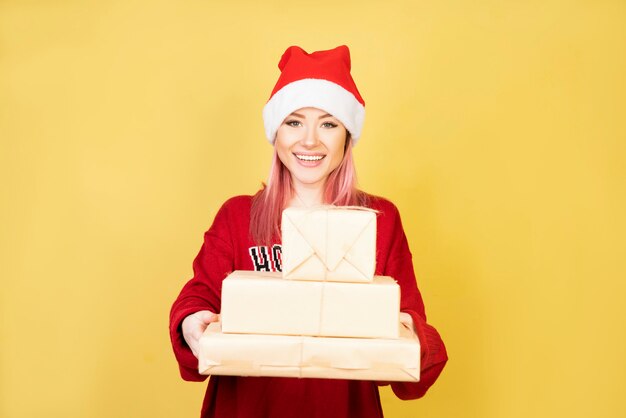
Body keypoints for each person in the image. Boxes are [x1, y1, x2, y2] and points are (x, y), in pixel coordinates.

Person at [169, 45, 448, 418]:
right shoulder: (237, 216)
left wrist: (409, 333)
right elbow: (198, 296)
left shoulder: (380, 219)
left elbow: (415, 333)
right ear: (276, 132)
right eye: (294, 121)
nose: (310, 141)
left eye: (328, 124)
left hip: (341, 408)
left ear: (347, 136)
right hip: (248, 407)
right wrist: (191, 321)